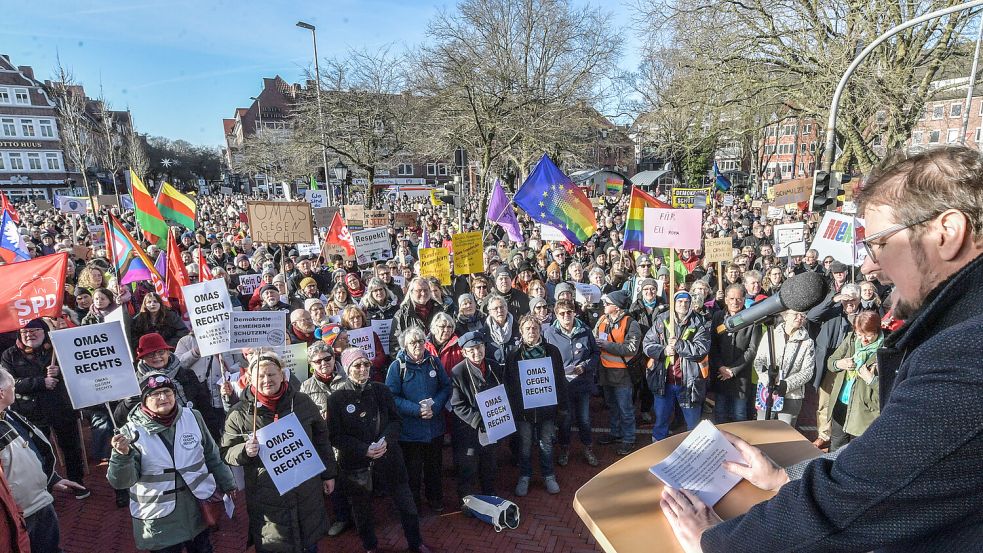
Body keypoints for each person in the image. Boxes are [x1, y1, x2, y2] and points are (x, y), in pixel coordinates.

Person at [661, 145, 983, 553]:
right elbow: (885, 463)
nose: (870, 266)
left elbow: (856, 498)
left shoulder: (966, 355)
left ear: (947, 233)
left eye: (879, 243)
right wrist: (785, 479)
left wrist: (715, 542)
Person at [107, 373, 237, 553]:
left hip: (198, 509)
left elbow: (211, 454)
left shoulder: (193, 417)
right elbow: (121, 482)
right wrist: (121, 455)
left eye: (167, 391)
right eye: (155, 394)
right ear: (144, 399)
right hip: (160, 518)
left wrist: (227, 482)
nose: (163, 397)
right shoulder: (129, 432)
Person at [221, 353, 337, 553]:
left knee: (309, 543)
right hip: (267, 496)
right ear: (250, 379)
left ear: (283, 375)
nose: (267, 380)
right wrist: (244, 451)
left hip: (306, 490)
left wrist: (328, 474)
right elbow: (226, 451)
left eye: (272, 374)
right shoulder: (239, 413)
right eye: (261, 376)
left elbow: (321, 439)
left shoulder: (302, 402)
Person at [329, 348, 431, 553]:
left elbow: (395, 420)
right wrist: (363, 449)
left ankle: (415, 542)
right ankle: (370, 546)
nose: (363, 369)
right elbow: (336, 436)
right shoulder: (337, 398)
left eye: (366, 364)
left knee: (406, 502)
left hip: (389, 457)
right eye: (357, 365)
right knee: (362, 510)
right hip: (357, 464)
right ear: (347, 369)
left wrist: (386, 440)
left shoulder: (381, 390)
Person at [0, 367, 86, 552]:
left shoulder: (9, 415)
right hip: (19, 514)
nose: (15, 389)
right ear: (1, 394)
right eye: (12, 386)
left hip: (38, 503)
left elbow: (31, 452)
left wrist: (51, 478)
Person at [1, 318, 89, 499]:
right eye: (25, 332)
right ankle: (44, 487)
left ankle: (77, 482)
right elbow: (10, 383)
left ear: (44, 332)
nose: (29, 335)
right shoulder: (9, 355)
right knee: (36, 452)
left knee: (71, 448)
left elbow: (79, 371)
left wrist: (61, 373)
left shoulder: (59, 349)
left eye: (34, 331)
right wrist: (41, 382)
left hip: (61, 408)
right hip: (30, 412)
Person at [386, 327, 452, 512]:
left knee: (434, 468)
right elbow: (391, 396)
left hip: (434, 427)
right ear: (405, 345)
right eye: (413, 342)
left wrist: (435, 406)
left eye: (421, 341)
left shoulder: (434, 362)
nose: (418, 345)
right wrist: (417, 410)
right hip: (410, 431)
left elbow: (446, 387)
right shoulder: (397, 367)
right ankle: (413, 503)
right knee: (412, 471)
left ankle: (435, 499)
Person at [504, 314, 568, 496]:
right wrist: (514, 408)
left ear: (540, 330)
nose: (531, 332)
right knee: (524, 444)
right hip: (524, 412)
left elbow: (560, 380)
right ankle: (525, 476)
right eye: (527, 329)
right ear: (521, 333)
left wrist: (562, 406)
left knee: (546, 443)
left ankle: (548, 476)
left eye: (535, 328)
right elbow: (509, 383)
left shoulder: (552, 351)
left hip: (547, 410)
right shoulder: (514, 355)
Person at [297, 342, 351, 538]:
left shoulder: (347, 378)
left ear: (334, 358)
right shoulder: (306, 387)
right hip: (326, 445)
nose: (323, 363)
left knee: (356, 481)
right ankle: (342, 518)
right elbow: (304, 418)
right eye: (317, 361)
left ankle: (361, 516)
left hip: (349, 439)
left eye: (327, 358)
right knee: (334, 483)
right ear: (311, 364)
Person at [642, 290, 712, 441]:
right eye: (680, 301)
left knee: (693, 424)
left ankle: (694, 451)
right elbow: (647, 344)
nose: (683, 304)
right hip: (664, 381)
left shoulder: (699, 323)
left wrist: (679, 345)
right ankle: (658, 448)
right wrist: (663, 351)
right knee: (661, 420)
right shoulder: (662, 320)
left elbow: (701, 350)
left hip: (689, 383)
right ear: (674, 303)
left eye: (686, 302)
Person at [543, 299, 600, 467]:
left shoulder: (585, 330)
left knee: (584, 419)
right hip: (562, 385)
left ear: (574, 312)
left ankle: (588, 448)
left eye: (569, 312)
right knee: (565, 419)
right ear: (556, 315)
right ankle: (565, 449)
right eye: (562, 313)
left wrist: (586, 366)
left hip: (582, 383)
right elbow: (545, 358)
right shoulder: (549, 334)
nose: (566, 316)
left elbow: (596, 353)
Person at [448, 332, 501, 503]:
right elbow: (457, 405)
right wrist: (480, 419)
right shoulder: (457, 372)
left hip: (492, 425)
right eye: (471, 350)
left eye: (479, 347)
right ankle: (467, 501)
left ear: (484, 347)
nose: (476, 352)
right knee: (468, 466)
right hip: (469, 428)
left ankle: (490, 495)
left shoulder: (494, 367)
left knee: (489, 463)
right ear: (463, 352)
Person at [824, 311, 883, 451]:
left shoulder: (885, 350)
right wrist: (840, 364)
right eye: (860, 335)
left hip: (864, 411)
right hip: (841, 404)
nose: (864, 340)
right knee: (836, 447)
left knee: (856, 452)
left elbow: (888, 389)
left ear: (877, 331)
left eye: (869, 335)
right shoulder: (851, 339)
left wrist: (871, 379)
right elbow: (830, 362)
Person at [594, 290, 642, 455]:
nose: (604, 305)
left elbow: (631, 348)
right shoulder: (602, 320)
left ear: (617, 307)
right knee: (613, 407)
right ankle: (615, 433)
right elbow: (595, 338)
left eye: (607, 303)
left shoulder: (630, 323)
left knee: (625, 409)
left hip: (622, 375)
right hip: (605, 372)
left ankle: (629, 438)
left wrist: (607, 345)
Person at [709, 285, 760, 424]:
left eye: (738, 299)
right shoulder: (717, 317)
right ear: (725, 299)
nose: (735, 302)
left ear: (744, 299)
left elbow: (752, 349)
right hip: (721, 375)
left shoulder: (752, 319)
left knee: (740, 414)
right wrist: (721, 367)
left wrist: (733, 370)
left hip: (741, 376)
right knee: (720, 413)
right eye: (731, 298)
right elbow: (713, 346)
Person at [389, 277, 444, 356]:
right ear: (411, 292)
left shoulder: (440, 310)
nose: (423, 293)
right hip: (413, 361)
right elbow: (395, 345)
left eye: (426, 290)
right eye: (419, 290)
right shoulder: (402, 315)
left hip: (438, 358)